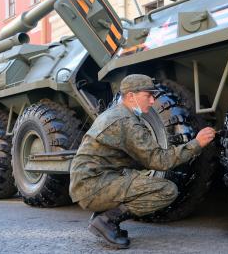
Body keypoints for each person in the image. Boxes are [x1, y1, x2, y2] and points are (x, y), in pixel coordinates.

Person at [69, 74, 216, 249]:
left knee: (143, 175)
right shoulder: (126, 122)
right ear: (131, 96)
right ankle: (106, 220)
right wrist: (197, 144)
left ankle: (103, 214)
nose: (153, 101)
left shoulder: (117, 114)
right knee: (166, 190)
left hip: (91, 180)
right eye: (148, 95)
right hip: (91, 186)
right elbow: (160, 161)